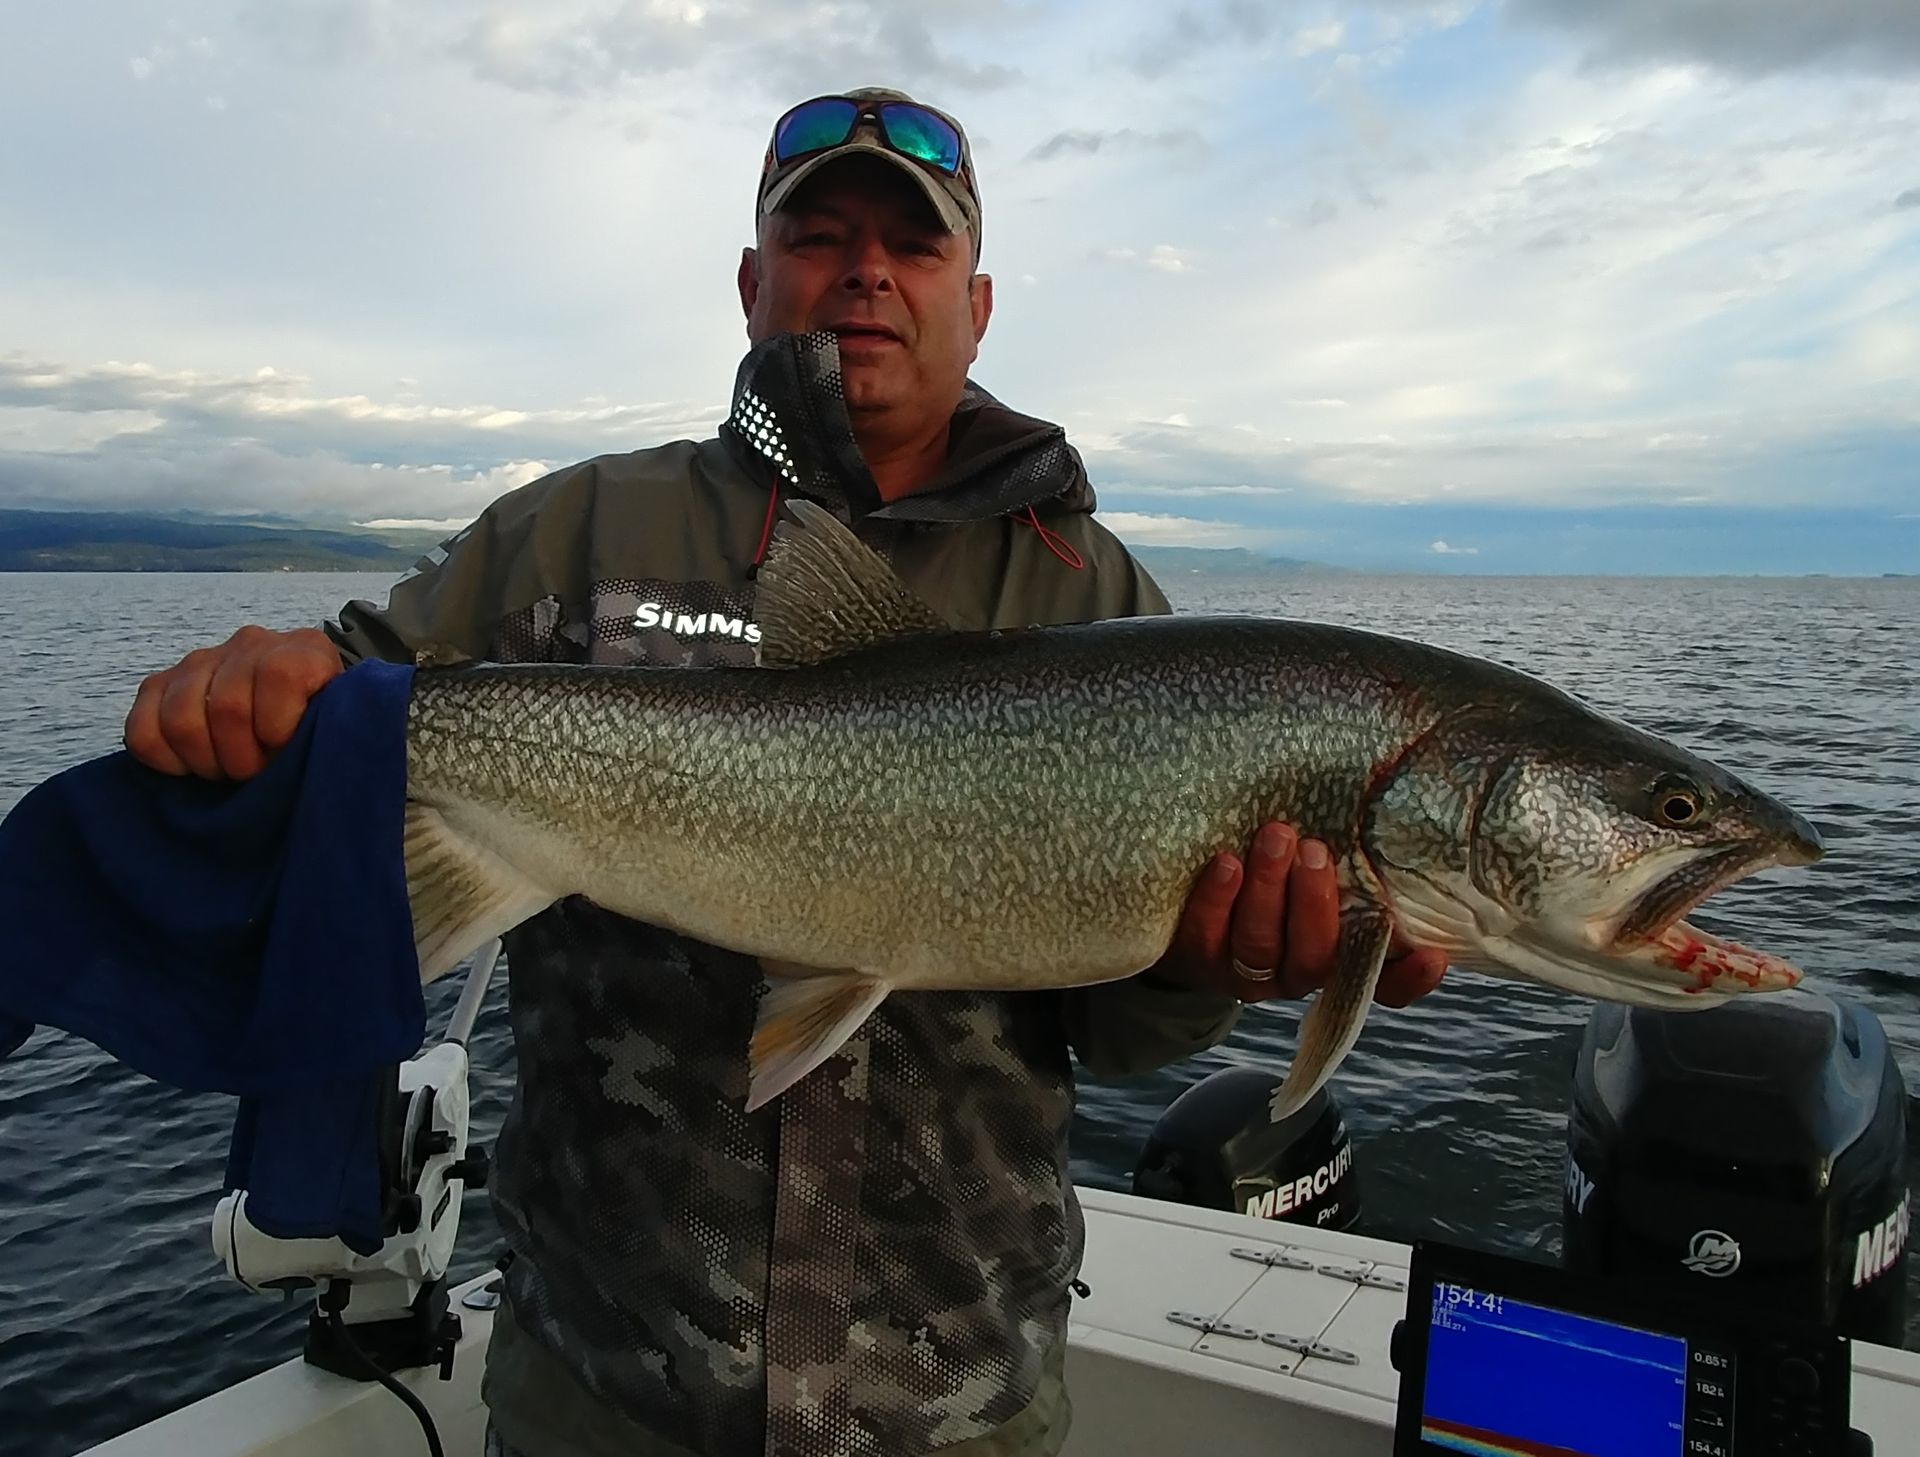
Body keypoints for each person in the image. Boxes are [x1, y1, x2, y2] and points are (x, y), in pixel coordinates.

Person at [124, 88, 1446, 1457]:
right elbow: (335, 725)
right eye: (819, 236)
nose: (867, 269)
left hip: (960, 1409)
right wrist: (257, 692)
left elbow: (1115, 1035)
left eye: (914, 245)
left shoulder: (1100, 598)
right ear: (753, 283)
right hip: (606, 1399)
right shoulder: (569, 534)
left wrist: (1219, 963)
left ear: (976, 303)